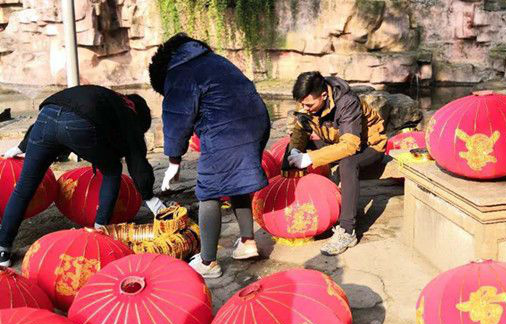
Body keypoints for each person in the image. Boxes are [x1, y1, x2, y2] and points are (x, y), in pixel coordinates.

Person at [0, 85, 166, 267]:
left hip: (46, 116)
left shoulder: (105, 96)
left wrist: (23, 146)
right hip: (78, 124)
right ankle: (100, 230)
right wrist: (149, 196)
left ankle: (3, 249)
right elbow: (136, 156)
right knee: (112, 170)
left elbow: (52, 115)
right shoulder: (128, 111)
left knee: (24, 188)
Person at [149, 33, 270, 279]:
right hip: (257, 122)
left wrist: (174, 160)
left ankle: (208, 262)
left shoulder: (178, 74)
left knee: (208, 191)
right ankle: (247, 243)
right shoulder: (215, 60)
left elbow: (176, 119)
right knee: (238, 182)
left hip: (227, 131)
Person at [286, 71, 387, 255]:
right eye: (302, 104)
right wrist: (295, 149)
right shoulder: (306, 102)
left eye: (309, 104)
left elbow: (350, 146)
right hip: (336, 141)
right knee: (292, 151)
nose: (304, 108)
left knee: (347, 164)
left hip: (368, 146)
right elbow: (301, 130)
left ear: (324, 95)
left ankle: (347, 231)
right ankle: (308, 202)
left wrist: (310, 158)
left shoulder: (347, 102)